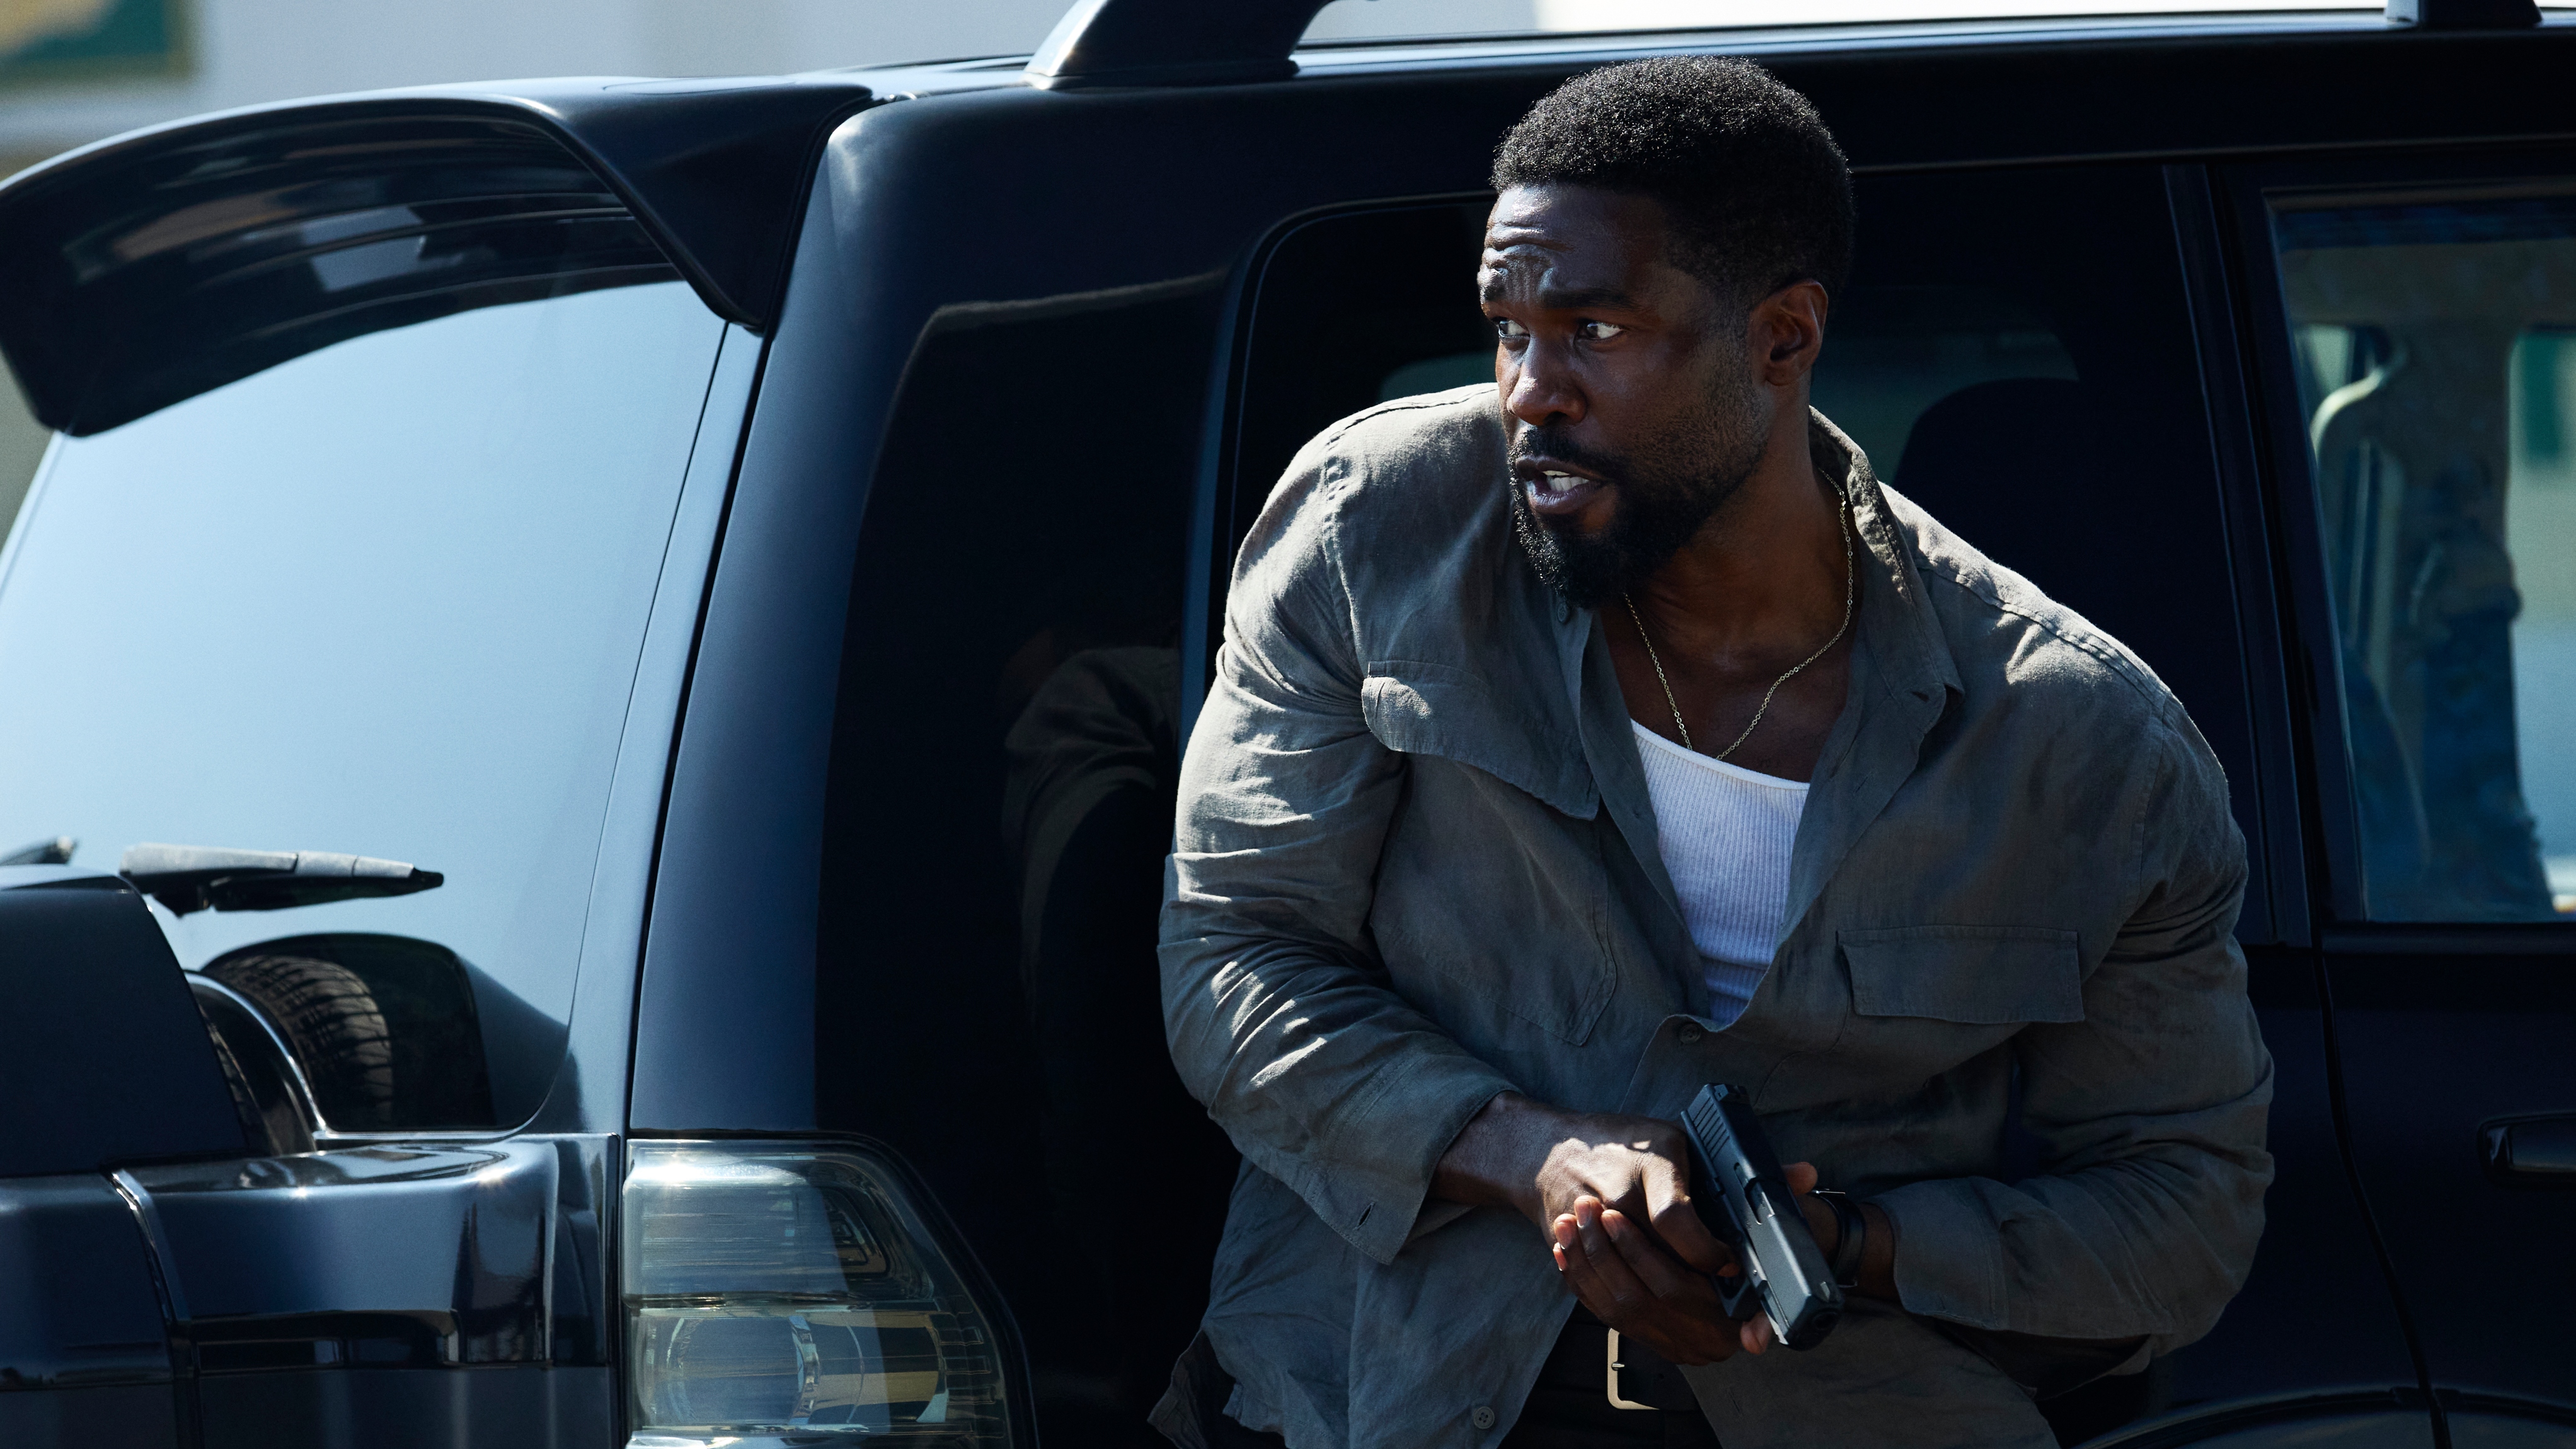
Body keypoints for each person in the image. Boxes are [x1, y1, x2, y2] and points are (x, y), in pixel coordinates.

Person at [1151, 56, 2272, 1449]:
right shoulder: (1375, 534)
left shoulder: (2084, 744)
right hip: (1382, 1397)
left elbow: (2182, 1209)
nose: (1525, 393)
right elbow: (1233, 954)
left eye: (1596, 329)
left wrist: (1843, 1240)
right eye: (1507, 329)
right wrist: (1536, 1154)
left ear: (1783, 339)